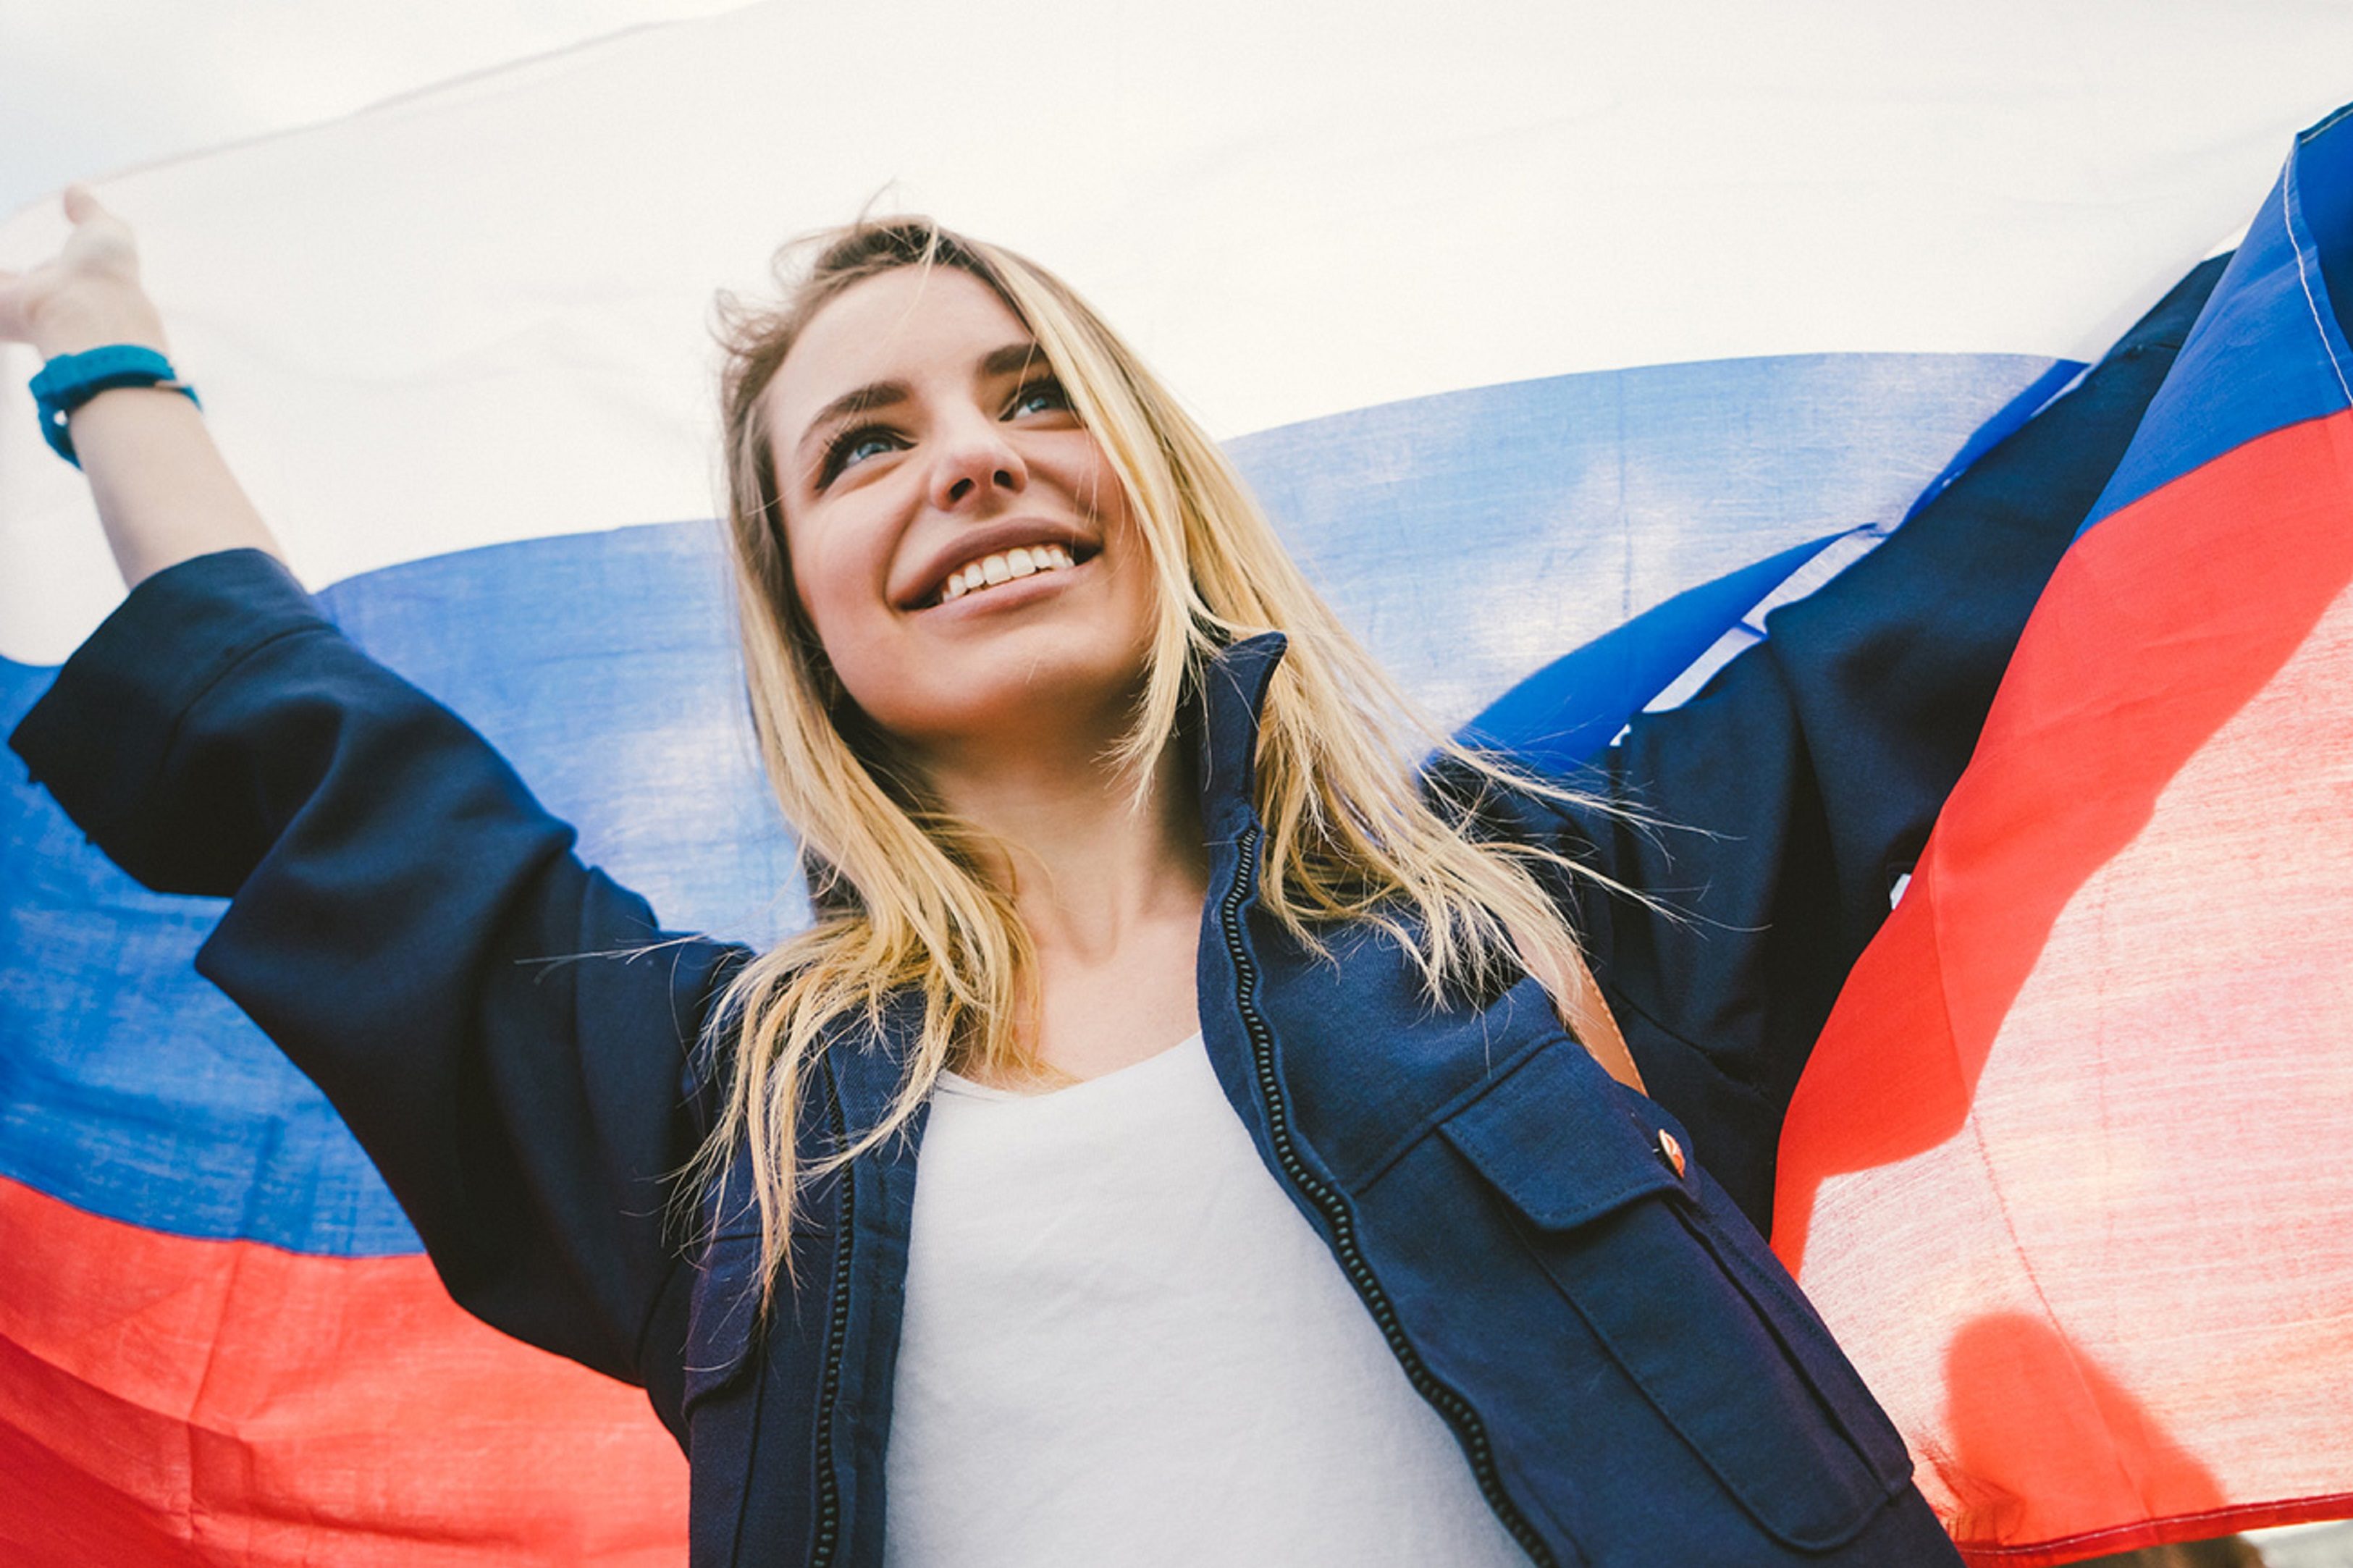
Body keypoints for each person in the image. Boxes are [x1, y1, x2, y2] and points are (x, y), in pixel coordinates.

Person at [0, 187, 2218, 1567]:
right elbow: (325, 760)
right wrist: (107, 356)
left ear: (1148, 486)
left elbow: (2016, 561)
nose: (971, 457)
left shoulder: (1545, 909)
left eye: (1035, 395)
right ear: (805, 615)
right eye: (864, 446)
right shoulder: (719, 1114)